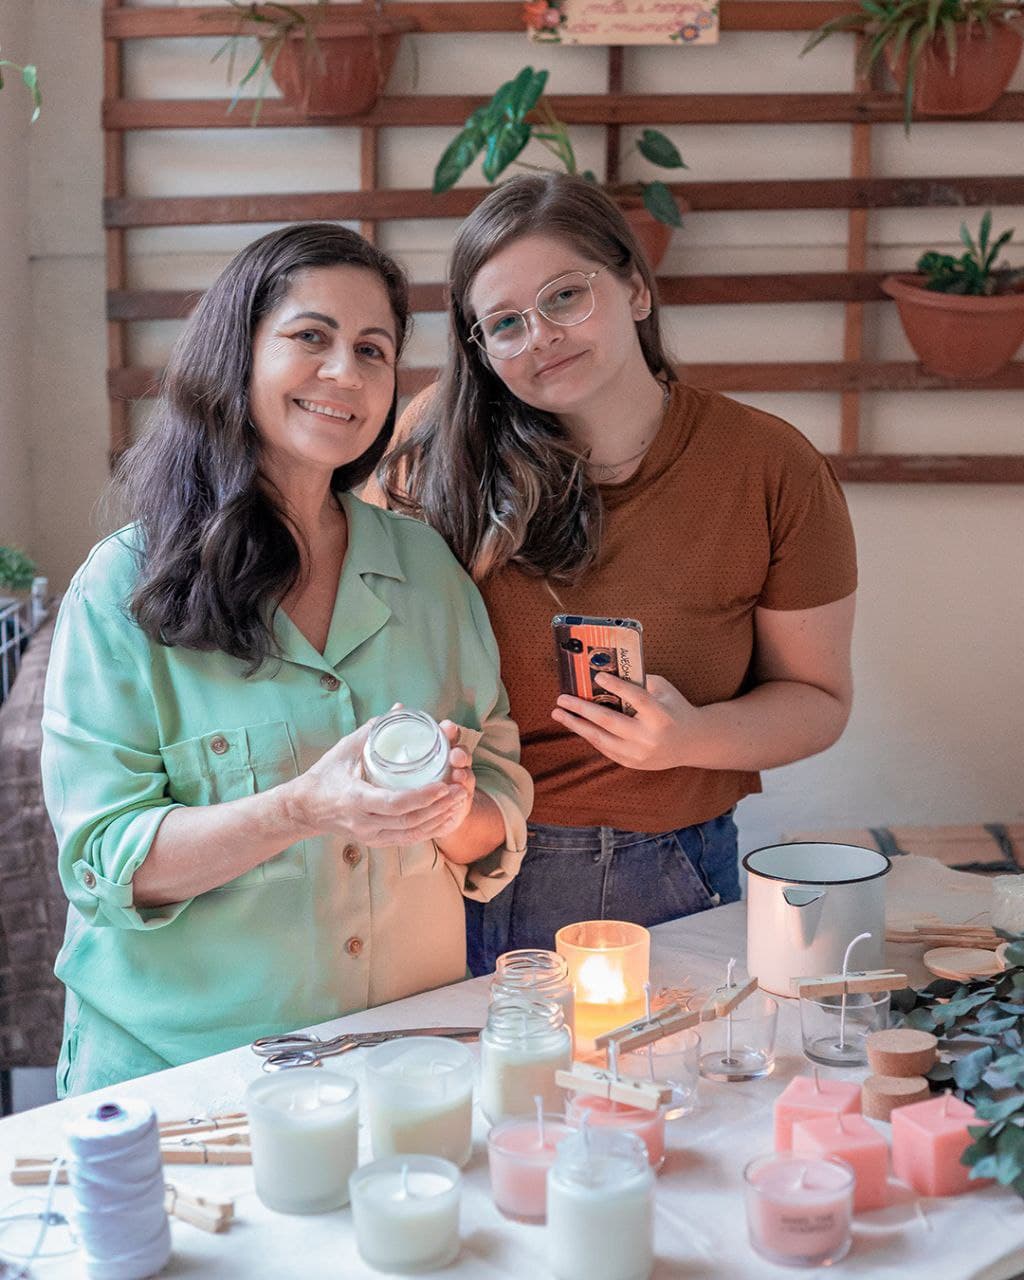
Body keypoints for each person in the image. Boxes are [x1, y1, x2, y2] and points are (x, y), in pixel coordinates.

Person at [41, 223, 532, 1095]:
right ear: (238, 354)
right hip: (184, 1079)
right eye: (312, 337)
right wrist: (304, 807)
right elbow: (104, 862)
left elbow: (495, 808)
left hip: (399, 1060)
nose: (346, 372)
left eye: (373, 350)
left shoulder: (429, 573)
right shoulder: (125, 585)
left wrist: (451, 807)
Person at [375, 173, 857, 976]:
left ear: (635, 287)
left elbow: (820, 702)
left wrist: (693, 737)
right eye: (503, 324)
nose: (540, 337)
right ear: (480, 351)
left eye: (566, 297)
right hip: (436, 868)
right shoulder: (434, 446)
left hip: (658, 873)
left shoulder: (770, 466)